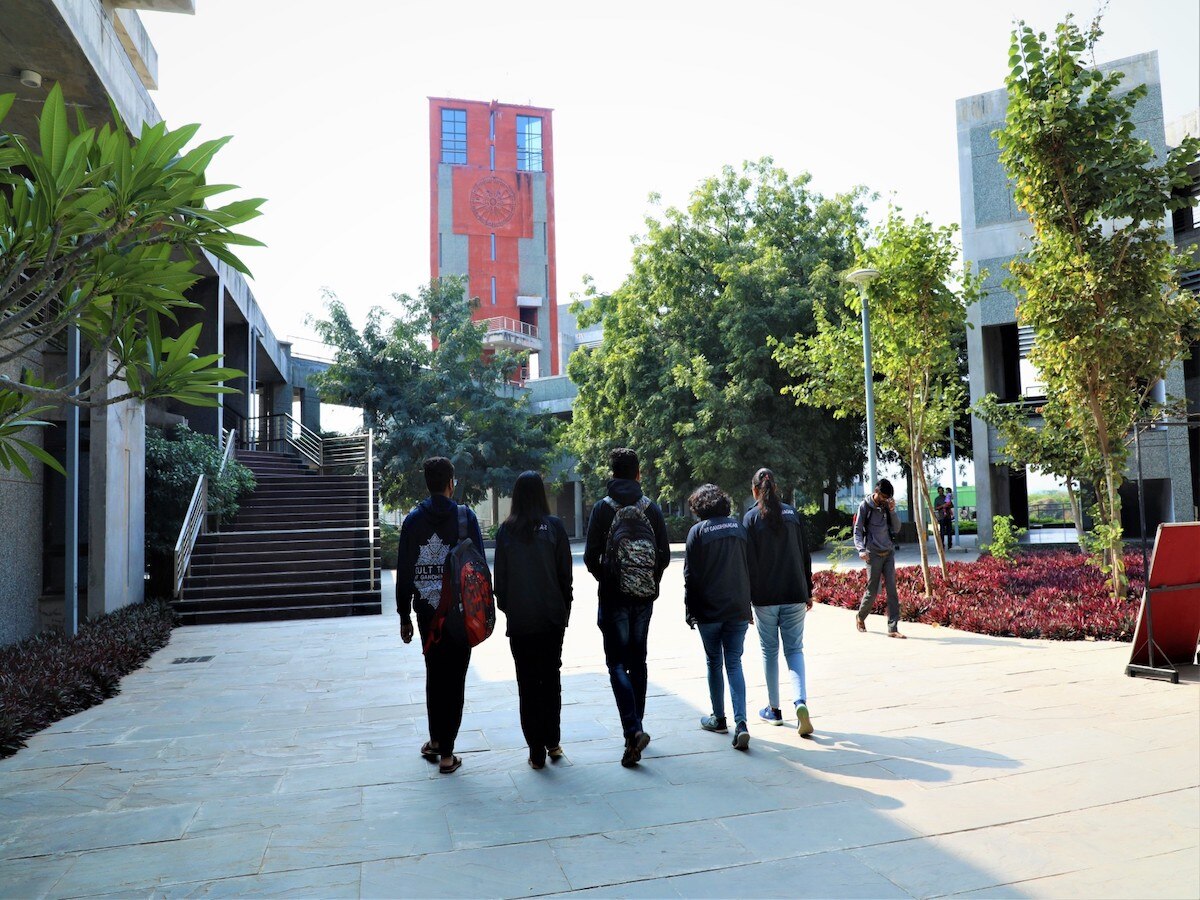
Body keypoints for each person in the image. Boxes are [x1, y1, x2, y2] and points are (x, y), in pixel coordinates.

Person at [396, 456, 485, 774]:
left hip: (427, 613)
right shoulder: (466, 517)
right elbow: (480, 567)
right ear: (451, 483)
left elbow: (404, 569)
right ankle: (447, 753)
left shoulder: (413, 520)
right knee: (456, 679)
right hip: (461, 614)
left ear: (427, 482)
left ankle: (437, 741)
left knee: (435, 674)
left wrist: (403, 613)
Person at [583, 447, 671, 767]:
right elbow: (664, 556)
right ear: (638, 473)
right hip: (644, 600)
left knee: (616, 663)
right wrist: (648, 581)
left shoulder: (602, 509)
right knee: (639, 662)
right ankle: (638, 729)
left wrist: (608, 578)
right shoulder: (652, 509)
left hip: (613, 597)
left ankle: (632, 730)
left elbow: (591, 556)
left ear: (612, 473)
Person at [494, 471, 573, 770]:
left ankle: (535, 750)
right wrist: (564, 609)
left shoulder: (506, 531)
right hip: (551, 618)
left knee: (527, 683)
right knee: (551, 678)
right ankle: (553, 741)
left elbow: (499, 580)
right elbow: (565, 574)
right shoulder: (554, 527)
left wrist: (510, 608)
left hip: (522, 621)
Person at [743, 468, 816, 737]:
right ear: (776, 489)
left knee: (769, 651)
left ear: (755, 491)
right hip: (795, 593)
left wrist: (746, 599)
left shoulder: (750, 519)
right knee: (795, 650)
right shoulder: (793, 515)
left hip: (765, 598)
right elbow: (804, 554)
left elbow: (747, 563)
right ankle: (800, 703)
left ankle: (774, 710)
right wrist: (808, 589)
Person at [684, 483, 755, 751]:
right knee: (734, 662)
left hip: (709, 610)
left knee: (714, 661)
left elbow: (690, 576)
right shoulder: (739, 528)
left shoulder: (698, 532)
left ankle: (719, 718)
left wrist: (690, 611)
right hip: (737, 607)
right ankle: (742, 723)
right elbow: (749, 567)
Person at [853, 478, 905, 639]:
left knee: (892, 591)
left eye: (888, 498)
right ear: (876, 492)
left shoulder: (886, 507)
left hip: (888, 553)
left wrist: (892, 510)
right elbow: (857, 531)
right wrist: (861, 549)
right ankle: (860, 617)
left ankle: (893, 628)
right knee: (872, 591)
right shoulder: (865, 506)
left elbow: (896, 528)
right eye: (883, 497)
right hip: (873, 554)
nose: (885, 500)